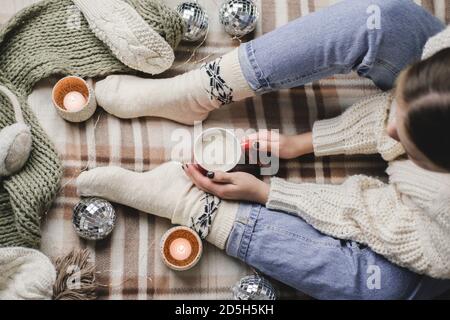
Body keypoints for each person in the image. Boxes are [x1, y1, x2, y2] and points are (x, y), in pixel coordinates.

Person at [78, 0, 450, 299]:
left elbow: (374, 214)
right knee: (384, 20)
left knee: (383, 289)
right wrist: (300, 144)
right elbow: (392, 113)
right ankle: (195, 92)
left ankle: (196, 208)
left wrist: (269, 192)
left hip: (434, 240)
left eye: (402, 137)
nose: (387, 129)